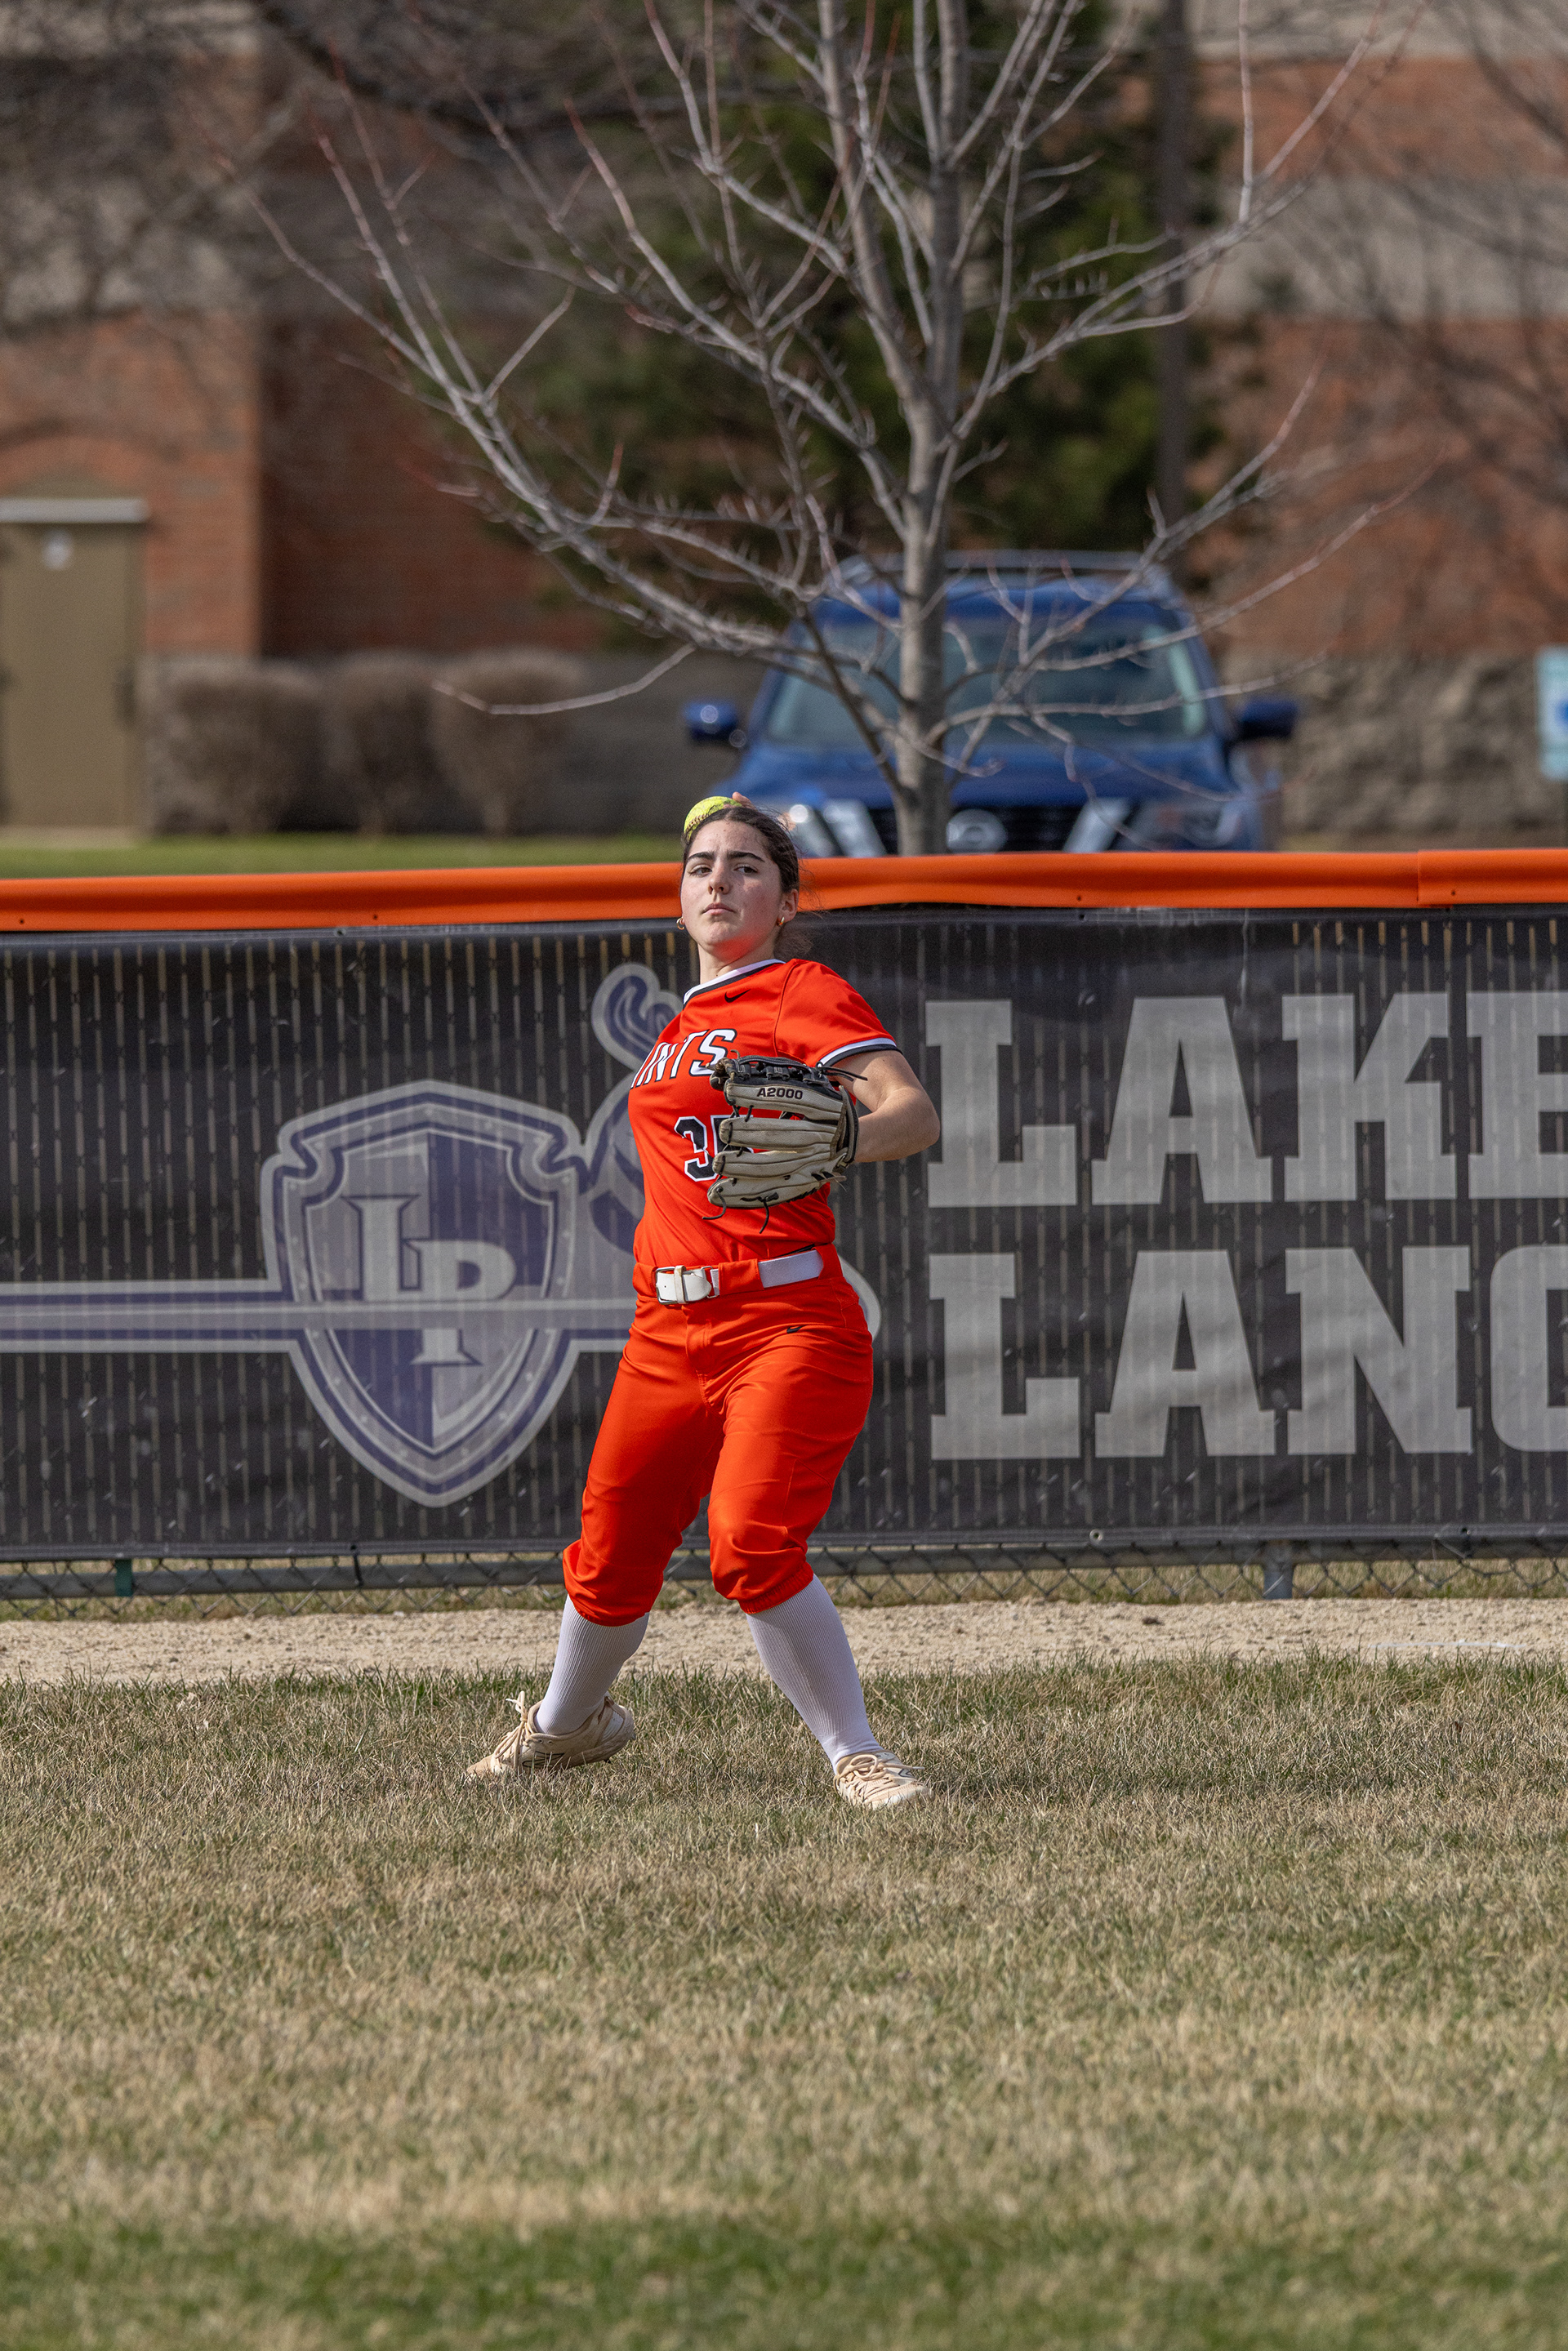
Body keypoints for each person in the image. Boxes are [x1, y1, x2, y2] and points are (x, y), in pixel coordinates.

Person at [468, 793, 941, 1808]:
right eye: (700, 865)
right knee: (610, 1555)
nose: (719, 879)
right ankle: (562, 1728)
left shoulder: (799, 987)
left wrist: (845, 1140)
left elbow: (912, 1112)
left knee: (752, 1541)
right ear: (680, 898)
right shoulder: (681, 1023)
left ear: (785, 901)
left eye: (746, 865)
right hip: (667, 1328)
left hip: (785, 1318)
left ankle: (856, 1753)